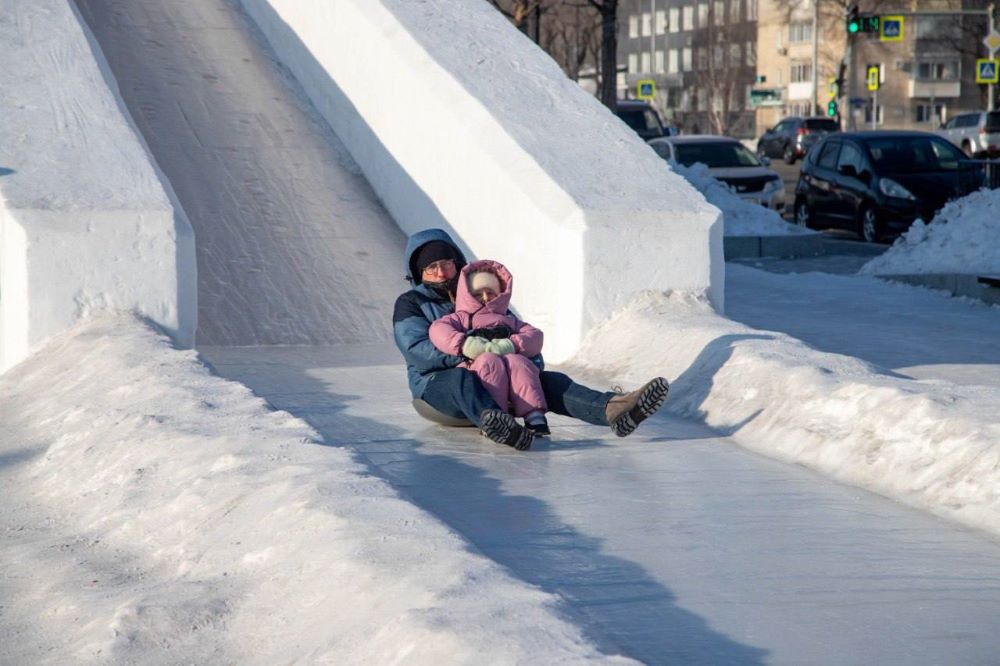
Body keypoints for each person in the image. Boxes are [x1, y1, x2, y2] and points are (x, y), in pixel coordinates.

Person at [392, 228, 669, 451]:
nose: (440, 273)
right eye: (431, 267)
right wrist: (472, 353)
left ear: (457, 264)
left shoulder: (487, 298)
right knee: (460, 380)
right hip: (439, 390)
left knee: (548, 381)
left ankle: (613, 410)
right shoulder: (411, 303)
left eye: (445, 264)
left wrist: (524, 365)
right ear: (419, 273)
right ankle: (496, 423)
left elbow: (522, 337)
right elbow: (417, 350)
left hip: (497, 381)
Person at [429, 260, 550, 436]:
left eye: (490, 292)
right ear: (467, 294)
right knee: (489, 360)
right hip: (475, 366)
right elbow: (438, 329)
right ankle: (495, 417)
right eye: (478, 293)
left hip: (509, 370)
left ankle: (535, 416)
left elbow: (535, 335)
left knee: (518, 361)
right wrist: (466, 344)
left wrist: (511, 344)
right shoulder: (461, 318)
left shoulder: (507, 319)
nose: (485, 297)